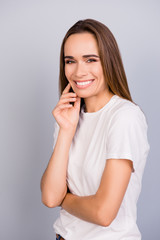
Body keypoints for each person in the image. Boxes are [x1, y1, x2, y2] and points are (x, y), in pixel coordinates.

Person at [40, 19, 150, 240]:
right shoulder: (68, 117)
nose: (79, 71)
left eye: (90, 59)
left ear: (108, 62)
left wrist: (66, 199)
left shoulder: (124, 116)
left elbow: (103, 213)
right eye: (70, 61)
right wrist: (66, 131)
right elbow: (51, 197)